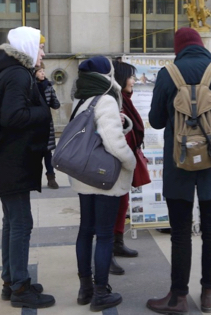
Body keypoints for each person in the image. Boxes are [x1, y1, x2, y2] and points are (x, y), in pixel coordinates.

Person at [147, 27, 211, 314]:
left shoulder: (168, 73)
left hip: (178, 162)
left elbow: (156, 121)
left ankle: (178, 297)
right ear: (202, 46)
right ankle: (208, 294)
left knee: (180, 233)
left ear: (178, 49)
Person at [0, 26, 55, 308]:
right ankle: (20, 288)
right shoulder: (18, 76)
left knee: (12, 221)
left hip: (5, 160)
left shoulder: (7, 72)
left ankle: (11, 280)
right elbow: (13, 117)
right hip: (12, 161)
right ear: (27, 47)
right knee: (22, 222)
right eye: (41, 46)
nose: (44, 52)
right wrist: (43, 111)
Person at [71, 56, 136, 312]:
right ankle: (101, 292)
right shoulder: (106, 99)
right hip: (104, 175)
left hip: (83, 174)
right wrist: (129, 162)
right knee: (105, 234)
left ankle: (85, 289)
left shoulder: (81, 97)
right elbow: (113, 142)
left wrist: (123, 123)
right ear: (106, 75)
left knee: (85, 230)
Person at [109, 61, 144, 276]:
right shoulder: (113, 101)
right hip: (113, 164)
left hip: (123, 163)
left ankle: (117, 242)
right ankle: (107, 254)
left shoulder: (125, 100)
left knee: (123, 203)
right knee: (110, 208)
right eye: (131, 77)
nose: (133, 81)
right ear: (121, 79)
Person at [34, 63, 61, 189]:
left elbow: (56, 105)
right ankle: (33, 180)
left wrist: (53, 94)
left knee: (47, 153)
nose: (43, 73)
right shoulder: (30, 87)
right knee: (34, 154)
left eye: (43, 71)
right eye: (40, 71)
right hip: (33, 123)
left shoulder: (48, 87)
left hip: (46, 123)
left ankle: (51, 178)